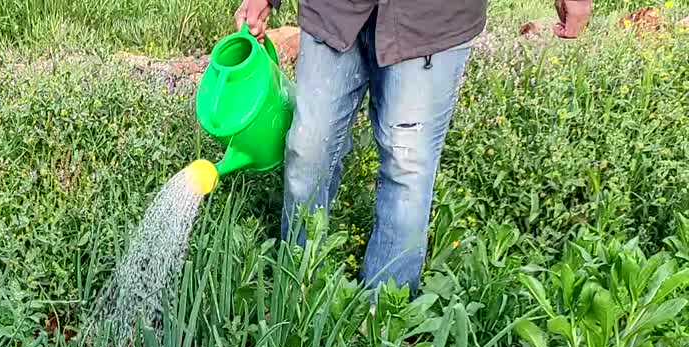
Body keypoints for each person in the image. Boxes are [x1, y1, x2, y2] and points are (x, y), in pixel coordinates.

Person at [233, 0, 592, 290]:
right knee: (308, 147)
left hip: (431, 21)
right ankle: (298, 285)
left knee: (408, 165)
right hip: (334, 12)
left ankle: (384, 311)